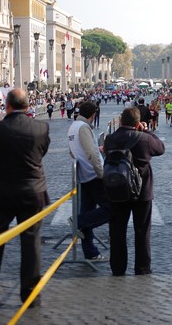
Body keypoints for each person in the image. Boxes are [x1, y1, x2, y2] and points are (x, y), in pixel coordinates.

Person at [0, 88, 50, 310]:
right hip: (32, 193)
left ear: (7, 105)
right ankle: (31, 295)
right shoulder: (41, 128)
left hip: (0, 194)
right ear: (27, 106)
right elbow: (41, 152)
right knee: (31, 244)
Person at [103, 107, 165, 276]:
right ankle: (142, 268)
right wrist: (147, 131)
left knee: (117, 231)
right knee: (142, 231)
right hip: (142, 191)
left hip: (117, 190)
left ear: (121, 121)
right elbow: (160, 148)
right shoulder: (144, 138)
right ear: (138, 123)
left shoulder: (110, 139)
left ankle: (118, 267)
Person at [67, 101, 109, 262]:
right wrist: (102, 174)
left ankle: (91, 253)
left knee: (87, 210)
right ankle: (78, 222)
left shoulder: (73, 126)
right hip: (93, 175)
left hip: (83, 175)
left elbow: (72, 152)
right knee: (110, 208)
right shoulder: (84, 127)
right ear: (92, 115)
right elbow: (91, 153)